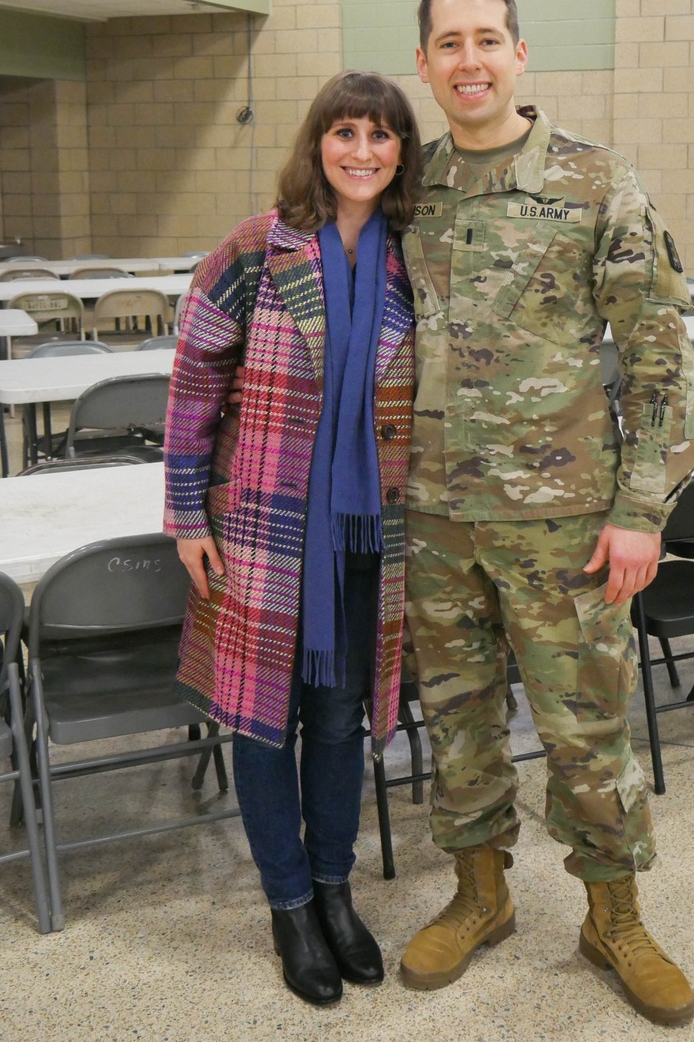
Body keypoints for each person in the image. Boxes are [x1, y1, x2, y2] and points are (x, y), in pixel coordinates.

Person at [398, 0, 694, 1027]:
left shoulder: (593, 182)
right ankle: (480, 896)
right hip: (436, 522)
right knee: (458, 719)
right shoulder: (407, 190)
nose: (469, 60)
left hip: (567, 522)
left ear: (520, 54)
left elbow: (659, 355)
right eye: (449, 43)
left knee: (587, 733)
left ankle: (611, 914)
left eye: (488, 39)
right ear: (425, 63)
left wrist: (641, 508)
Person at [162, 71, 420, 1008]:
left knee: (342, 715)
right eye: (345, 132)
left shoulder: (411, 259)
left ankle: (335, 889)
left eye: (382, 135)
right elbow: (191, 387)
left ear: (402, 152)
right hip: (266, 528)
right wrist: (187, 513)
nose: (362, 151)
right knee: (262, 715)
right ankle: (287, 903)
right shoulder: (254, 249)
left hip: (369, 532)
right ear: (318, 143)